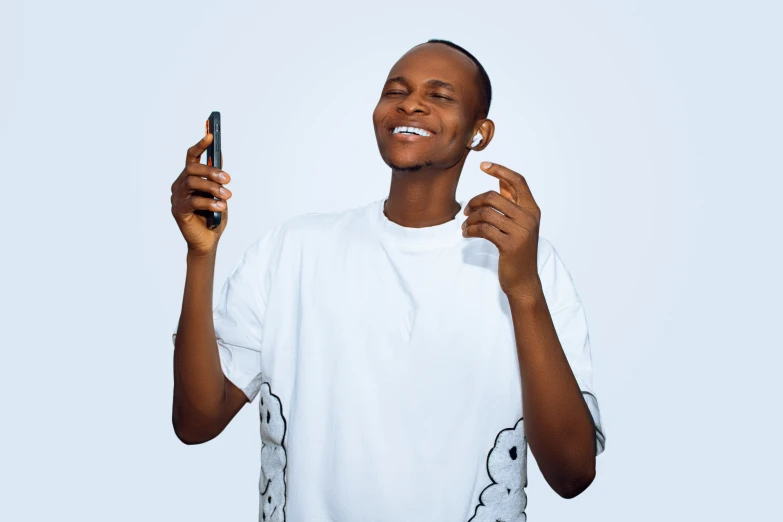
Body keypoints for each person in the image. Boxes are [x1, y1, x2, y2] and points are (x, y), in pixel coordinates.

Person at [170, 39, 605, 522]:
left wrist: (523, 292)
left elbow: (572, 475)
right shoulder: (291, 249)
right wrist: (199, 256)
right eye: (395, 90)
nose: (411, 103)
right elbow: (196, 423)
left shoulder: (526, 263)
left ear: (479, 134)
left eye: (439, 95)